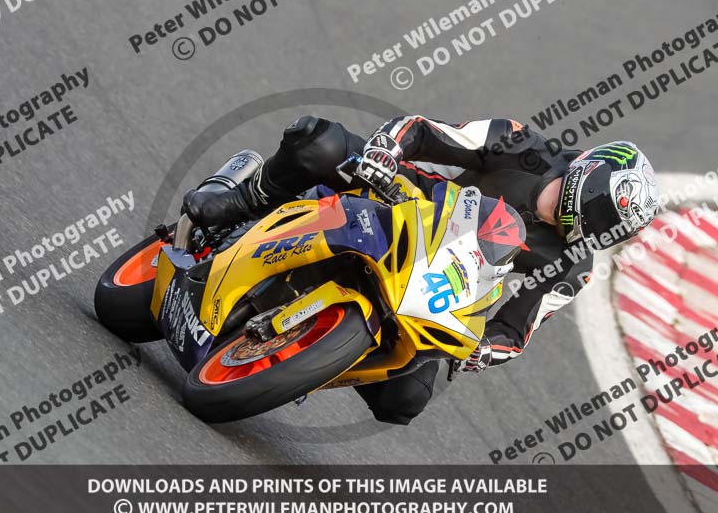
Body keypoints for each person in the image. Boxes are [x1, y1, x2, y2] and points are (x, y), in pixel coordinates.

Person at [182, 115, 660, 425]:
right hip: (405, 202)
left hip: (443, 286)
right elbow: (423, 130)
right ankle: (240, 200)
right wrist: (386, 151)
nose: (598, 228)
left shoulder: (574, 267)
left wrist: (483, 349)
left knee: (405, 399)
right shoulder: (521, 144)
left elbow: (515, 333)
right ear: (590, 179)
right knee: (320, 141)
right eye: (603, 214)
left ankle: (301, 362)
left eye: (611, 229)